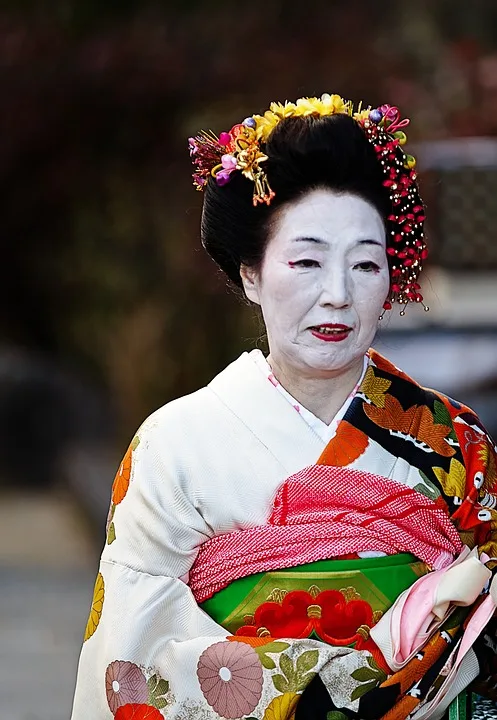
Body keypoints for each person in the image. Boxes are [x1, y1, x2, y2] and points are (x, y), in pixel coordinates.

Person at [71, 94, 497, 720]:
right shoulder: (175, 445)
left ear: (391, 279)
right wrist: (337, 689)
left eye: (365, 264)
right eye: (306, 260)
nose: (338, 294)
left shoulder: (452, 442)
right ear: (250, 274)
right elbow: (136, 649)